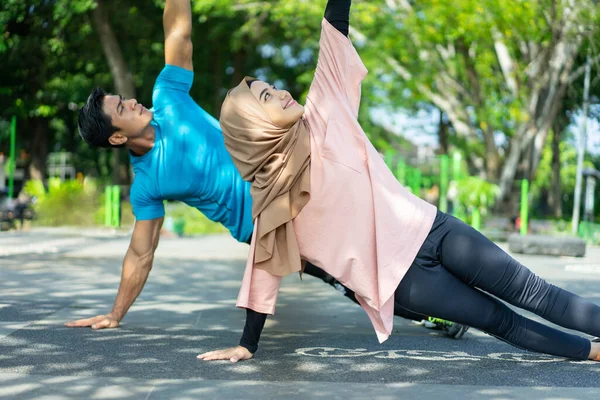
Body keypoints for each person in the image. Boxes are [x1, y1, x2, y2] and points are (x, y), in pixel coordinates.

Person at [198, 0, 600, 363]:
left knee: (535, 292)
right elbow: (261, 275)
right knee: (501, 322)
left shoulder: (323, 114)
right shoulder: (270, 202)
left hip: (434, 229)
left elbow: (334, 31)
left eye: (272, 88)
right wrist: (247, 344)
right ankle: (592, 352)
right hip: (406, 281)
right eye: (267, 97)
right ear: (254, 130)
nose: (282, 92)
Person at [66, 0, 465, 338]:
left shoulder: (167, 97)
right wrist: (116, 314)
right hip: (263, 228)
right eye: (122, 109)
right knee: (351, 279)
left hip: (286, 181)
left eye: (124, 98)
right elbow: (141, 253)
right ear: (117, 138)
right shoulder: (147, 185)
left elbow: (178, 33)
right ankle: (444, 311)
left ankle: (459, 275)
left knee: (380, 236)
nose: (132, 102)